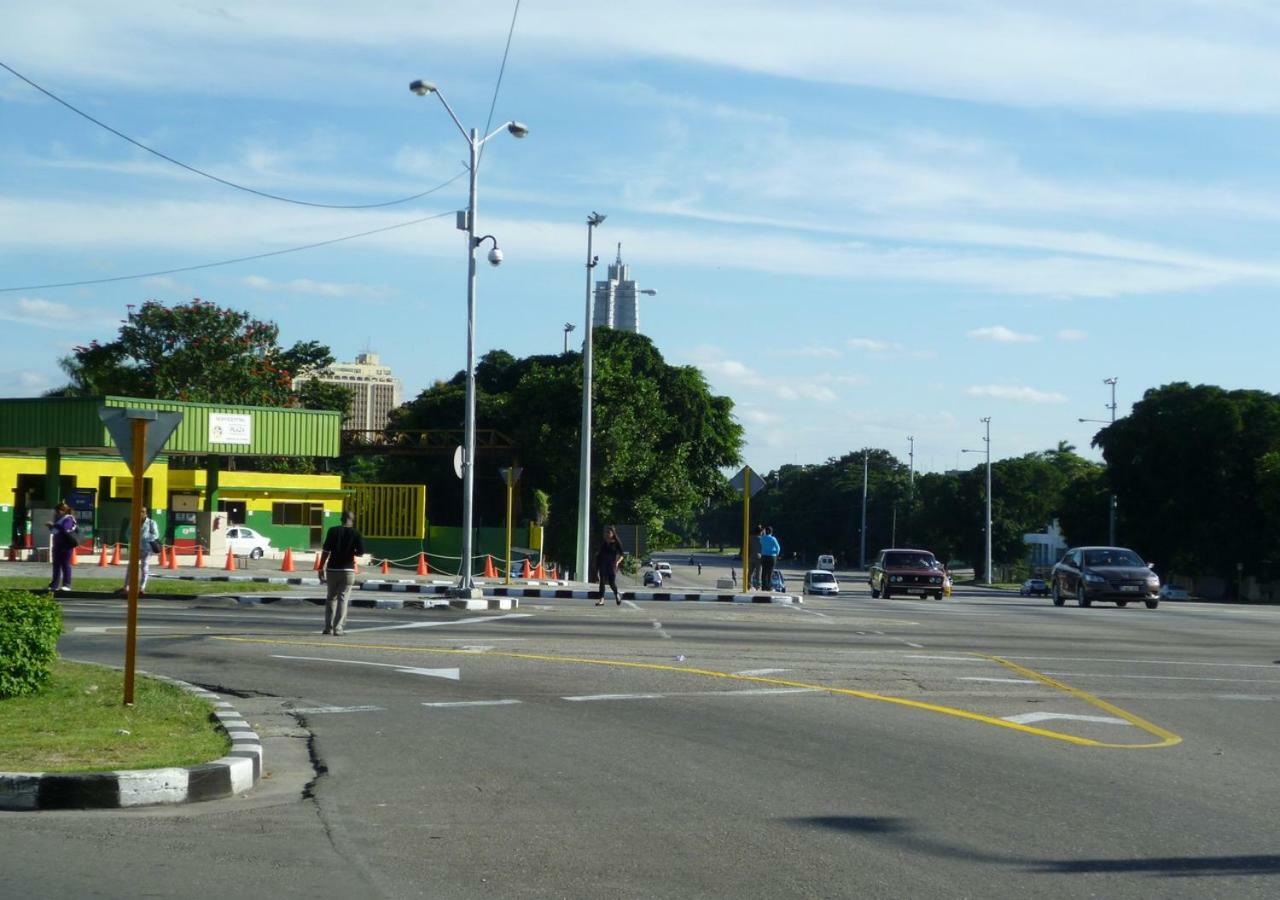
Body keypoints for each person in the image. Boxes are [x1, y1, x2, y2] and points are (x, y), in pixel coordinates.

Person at [319, 511, 364, 635]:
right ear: (353, 519)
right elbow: (360, 552)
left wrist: (320, 567)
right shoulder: (356, 533)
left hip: (332, 569)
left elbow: (326, 550)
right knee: (343, 599)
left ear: (341, 519)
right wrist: (350, 551)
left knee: (330, 599)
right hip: (348, 571)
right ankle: (338, 629)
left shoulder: (332, 531)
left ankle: (328, 628)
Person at [114, 507, 159, 597]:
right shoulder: (133, 522)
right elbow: (127, 533)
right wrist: (133, 539)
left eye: (142, 512)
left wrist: (146, 537)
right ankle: (126, 587)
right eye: (139, 511)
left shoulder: (151, 523)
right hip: (135, 548)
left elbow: (156, 535)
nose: (141, 513)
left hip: (146, 549)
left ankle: (142, 588)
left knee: (144, 568)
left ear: (146, 513)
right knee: (130, 568)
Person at [46, 502, 77, 592]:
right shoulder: (60, 519)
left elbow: (65, 529)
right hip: (57, 544)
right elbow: (55, 531)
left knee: (65, 564)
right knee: (56, 565)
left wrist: (54, 525)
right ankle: (54, 584)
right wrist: (50, 527)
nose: (55, 513)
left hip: (66, 545)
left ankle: (67, 584)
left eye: (57, 511)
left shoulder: (69, 518)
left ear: (62, 511)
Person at [595, 525, 624, 606]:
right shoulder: (603, 543)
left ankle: (617, 595)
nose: (607, 534)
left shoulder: (616, 543)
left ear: (613, 533)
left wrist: (618, 562)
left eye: (609, 532)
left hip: (612, 565)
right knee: (602, 582)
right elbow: (599, 554)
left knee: (612, 583)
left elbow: (622, 555)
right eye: (606, 532)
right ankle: (601, 600)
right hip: (603, 564)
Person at [760, 525, 781, 592]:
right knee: (770, 572)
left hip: (764, 556)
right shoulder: (773, 539)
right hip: (772, 556)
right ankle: (768, 587)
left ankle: (763, 587)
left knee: (764, 571)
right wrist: (776, 554)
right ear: (771, 532)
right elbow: (778, 548)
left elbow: (761, 542)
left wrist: (763, 533)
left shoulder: (762, 538)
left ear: (766, 531)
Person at [748, 524, 763, 589]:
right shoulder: (762, 538)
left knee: (750, 572)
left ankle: (748, 585)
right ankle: (758, 586)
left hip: (751, 556)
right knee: (758, 573)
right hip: (759, 557)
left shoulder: (750, 537)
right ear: (761, 531)